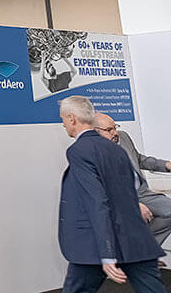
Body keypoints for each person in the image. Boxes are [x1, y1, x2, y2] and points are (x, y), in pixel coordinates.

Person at [58, 96, 163, 292]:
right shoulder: (117, 149)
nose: (63, 125)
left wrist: (106, 254)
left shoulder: (79, 151)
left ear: (72, 119)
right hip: (134, 241)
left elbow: (96, 201)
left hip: (94, 245)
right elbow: (128, 193)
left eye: (63, 119)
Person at [95, 112, 171, 247]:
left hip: (141, 192)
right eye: (109, 130)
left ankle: (143, 245)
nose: (115, 133)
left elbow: (139, 159)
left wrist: (166, 165)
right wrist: (133, 204)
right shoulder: (94, 151)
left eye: (115, 127)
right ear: (95, 131)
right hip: (121, 197)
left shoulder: (123, 137)